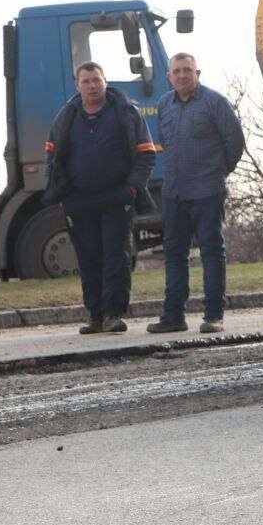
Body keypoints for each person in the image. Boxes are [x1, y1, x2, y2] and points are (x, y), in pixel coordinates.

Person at [43, 62, 157, 334]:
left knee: (116, 257)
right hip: (79, 201)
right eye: (86, 81)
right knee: (88, 258)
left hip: (117, 198)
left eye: (96, 80)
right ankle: (95, 316)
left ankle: (113, 315)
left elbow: (146, 153)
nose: (92, 86)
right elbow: (52, 156)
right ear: (77, 85)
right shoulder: (65, 117)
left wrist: (132, 188)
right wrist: (62, 194)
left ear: (106, 82)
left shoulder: (126, 113)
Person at [147, 53, 245, 335]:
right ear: (169, 76)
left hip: (207, 191)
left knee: (211, 252)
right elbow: (165, 143)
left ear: (197, 73)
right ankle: (173, 316)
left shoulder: (215, 102)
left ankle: (213, 316)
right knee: (174, 254)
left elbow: (235, 141)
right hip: (174, 192)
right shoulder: (164, 104)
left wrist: (218, 171)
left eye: (187, 70)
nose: (182, 75)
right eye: (176, 71)